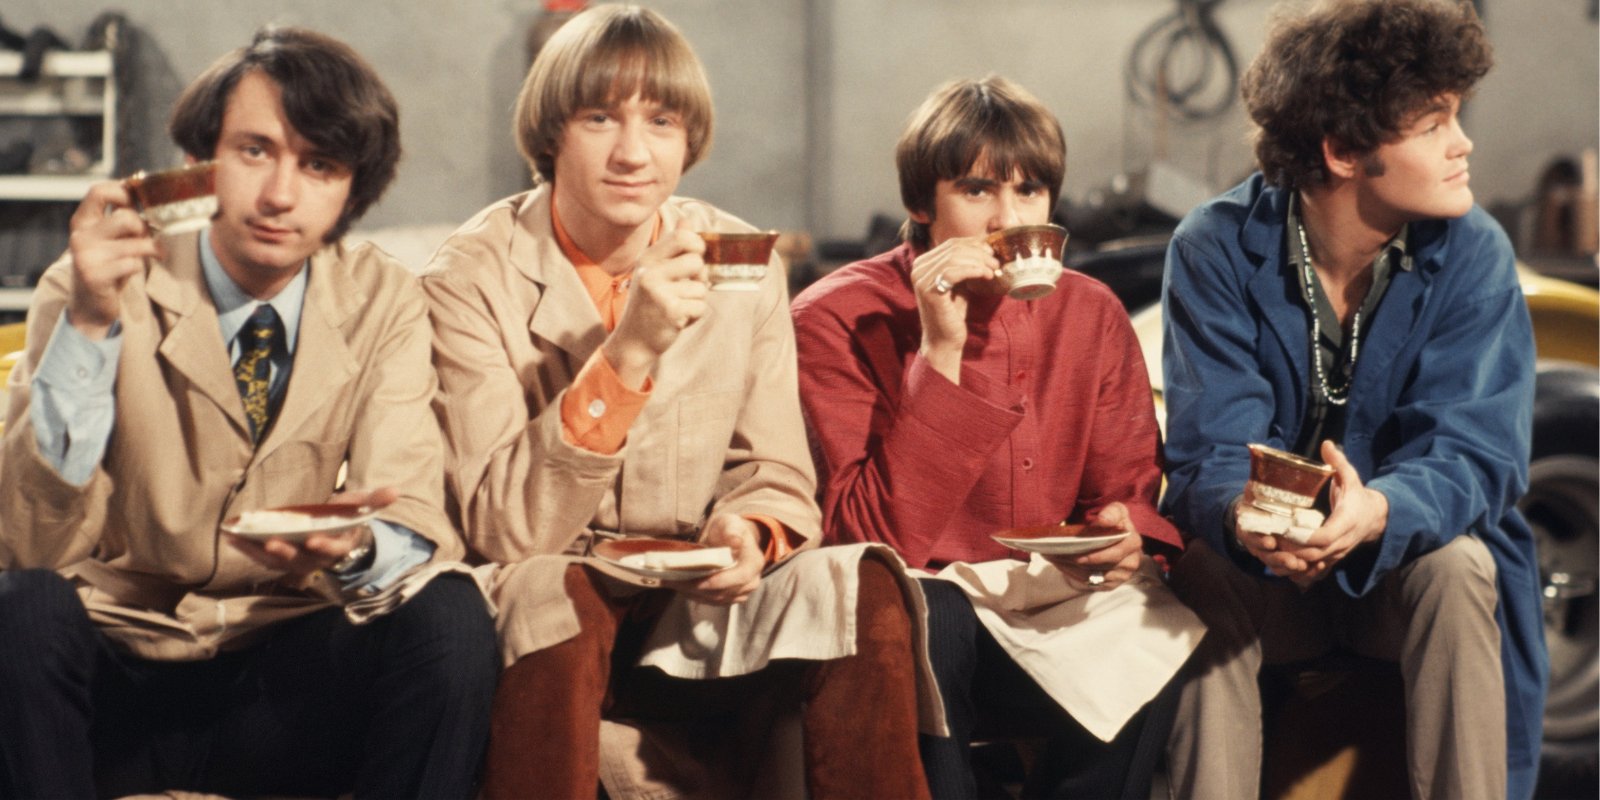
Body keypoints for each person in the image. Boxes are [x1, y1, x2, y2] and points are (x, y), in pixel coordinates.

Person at [421, 5, 938, 798]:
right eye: (601, 118)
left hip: (697, 603)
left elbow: (774, 469)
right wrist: (627, 351)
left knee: (861, 587)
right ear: (553, 132)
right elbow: (503, 528)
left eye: (661, 121)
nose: (633, 153)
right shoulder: (469, 277)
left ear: (689, 140)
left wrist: (751, 532)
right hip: (548, 598)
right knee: (558, 593)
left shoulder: (742, 261)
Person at [0, 27, 497, 798]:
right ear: (202, 162)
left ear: (351, 192)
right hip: (114, 681)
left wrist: (355, 547)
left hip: (279, 691)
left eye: (319, 165)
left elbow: (416, 518)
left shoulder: (383, 298)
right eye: (255, 151)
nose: (278, 196)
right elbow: (30, 543)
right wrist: (92, 323)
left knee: (451, 615)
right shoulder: (96, 281)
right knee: (21, 607)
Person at [1158, 1, 1545, 798]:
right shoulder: (1214, 245)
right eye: (1433, 121)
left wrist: (1379, 514)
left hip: (1399, 575)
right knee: (1202, 573)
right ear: (1341, 151)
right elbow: (1207, 451)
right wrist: (1247, 523)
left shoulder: (1475, 251)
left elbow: (1479, 455)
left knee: (1459, 564)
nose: (1463, 142)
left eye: (1457, 114)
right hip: (1272, 583)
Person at [792, 76, 1206, 799]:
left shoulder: (1091, 311)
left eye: (1031, 193)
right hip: (915, 613)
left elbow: (1128, 492)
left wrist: (1121, 531)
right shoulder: (834, 316)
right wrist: (940, 351)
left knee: (1155, 622)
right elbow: (864, 537)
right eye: (978, 191)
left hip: (1048, 604)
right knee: (934, 616)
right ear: (923, 204)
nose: (1007, 220)